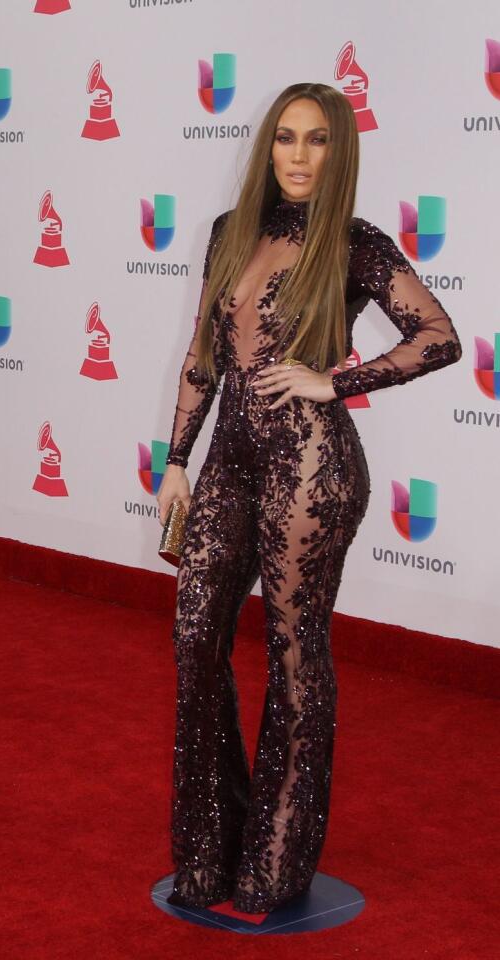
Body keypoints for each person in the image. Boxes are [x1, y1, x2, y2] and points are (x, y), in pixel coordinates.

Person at [157, 84, 460, 912]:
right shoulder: (228, 233)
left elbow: (438, 338)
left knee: (294, 653)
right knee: (193, 638)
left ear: (338, 153)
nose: (296, 155)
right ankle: (212, 846)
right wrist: (175, 460)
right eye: (285, 138)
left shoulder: (356, 245)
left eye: (316, 140)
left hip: (311, 469)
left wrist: (337, 381)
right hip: (226, 463)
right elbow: (200, 356)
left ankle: (277, 859)